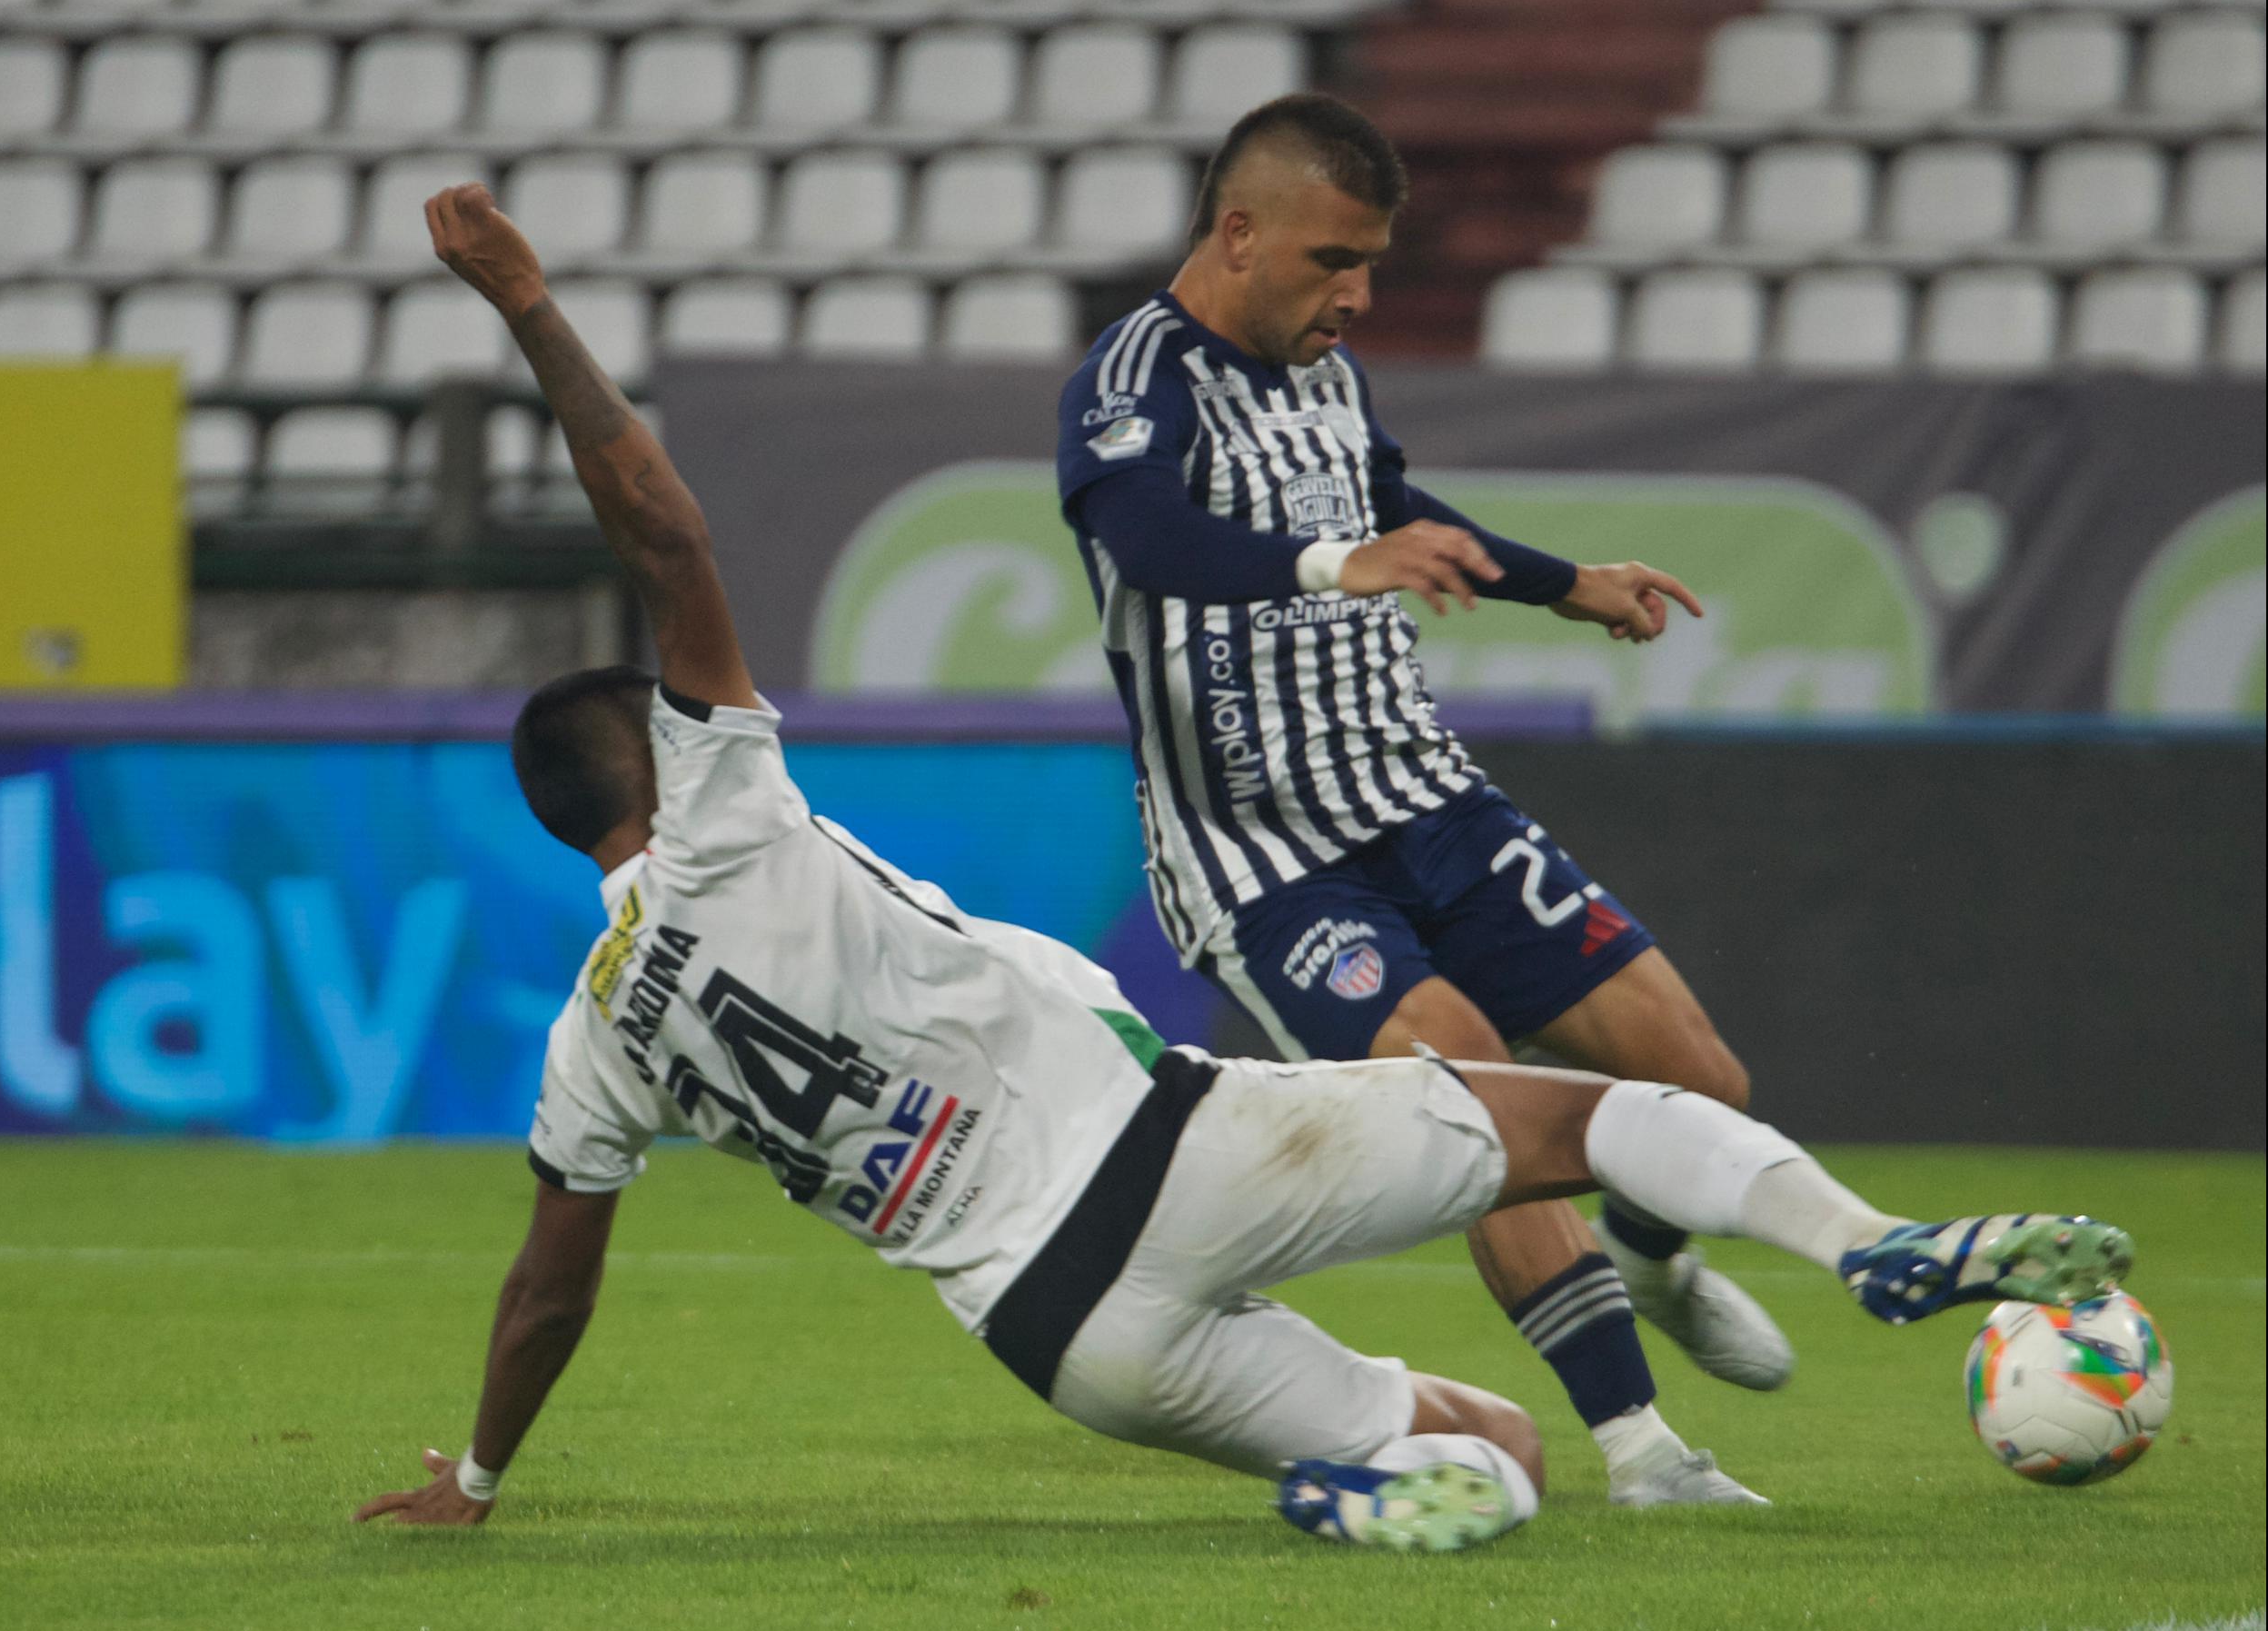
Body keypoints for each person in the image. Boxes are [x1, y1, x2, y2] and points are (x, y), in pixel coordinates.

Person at [351, 184, 2134, 1552]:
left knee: (1487, 1462)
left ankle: (1391, 1486)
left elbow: (549, 1284)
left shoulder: (593, 1037)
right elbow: (659, 526)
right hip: (1158, 1159)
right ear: (656, 761)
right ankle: (1873, 1244)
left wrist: (483, 1471)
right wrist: (526, 301)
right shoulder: (725, 805)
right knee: (1585, 1116)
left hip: (1050, 1333)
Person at [1053, 92, 1788, 1506]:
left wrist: (1566, 581)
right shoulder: (1130, 376)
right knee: (1469, 1092)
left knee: (1703, 1082)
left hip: (1424, 793)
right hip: (1262, 854)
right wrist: (1339, 564)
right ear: (1240, 229)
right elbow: (1147, 539)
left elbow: (1389, 496)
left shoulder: (1329, 367)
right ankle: (1645, 1452)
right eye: (1334, 259)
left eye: (1372, 261)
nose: (1359, 293)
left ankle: (1655, 1250)